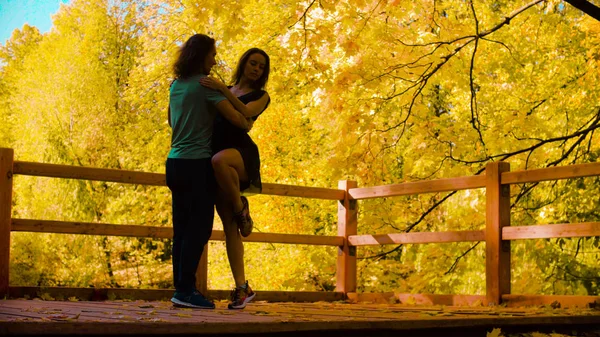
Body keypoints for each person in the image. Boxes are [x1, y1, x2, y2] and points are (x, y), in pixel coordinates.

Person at [166, 34, 250, 309]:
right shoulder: (207, 87)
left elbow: (171, 120)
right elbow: (241, 121)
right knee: (200, 227)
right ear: (201, 55)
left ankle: (180, 288)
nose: (215, 60)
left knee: (181, 228)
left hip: (174, 162)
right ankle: (186, 290)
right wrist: (223, 95)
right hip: (196, 163)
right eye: (212, 54)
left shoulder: (175, 86)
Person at [199, 48, 270, 309]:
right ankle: (242, 288)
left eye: (261, 67)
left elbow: (246, 113)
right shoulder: (223, 88)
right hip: (216, 155)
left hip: (239, 155)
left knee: (220, 161)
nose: (256, 69)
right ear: (244, 63)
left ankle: (242, 209)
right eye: (253, 63)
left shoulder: (262, 96)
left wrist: (222, 90)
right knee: (229, 226)